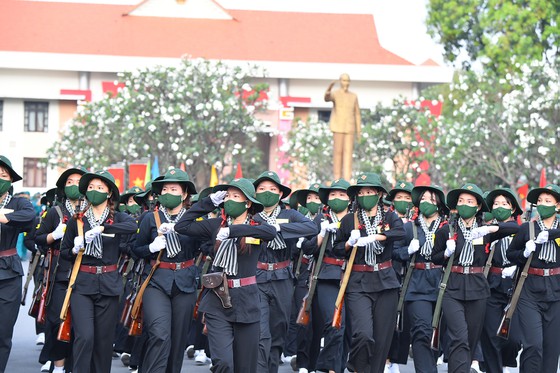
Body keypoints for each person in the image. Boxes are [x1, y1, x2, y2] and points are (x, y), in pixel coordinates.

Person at [175, 178, 277, 372]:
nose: (230, 200)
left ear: (247, 203)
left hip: (247, 301)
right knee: (223, 363)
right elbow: (182, 226)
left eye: (235, 196)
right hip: (217, 300)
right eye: (227, 196)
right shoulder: (215, 226)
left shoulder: (256, 226)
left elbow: (270, 232)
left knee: (245, 366)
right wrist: (208, 203)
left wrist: (232, 231)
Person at [431, 183, 517, 373]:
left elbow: (515, 227)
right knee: (458, 337)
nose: (465, 204)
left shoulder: (484, 230)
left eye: (470, 201)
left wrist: (491, 230)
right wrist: (445, 253)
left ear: (478, 206)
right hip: (452, 287)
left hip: (478, 288)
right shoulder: (447, 230)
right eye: (461, 201)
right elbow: (433, 256)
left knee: (470, 339)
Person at [60, 170, 137, 373]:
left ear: (109, 193)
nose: (95, 191)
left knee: (103, 342)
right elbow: (64, 252)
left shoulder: (118, 218)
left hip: (109, 283)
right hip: (82, 283)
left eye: (100, 188)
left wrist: (103, 229)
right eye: (91, 187)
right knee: (84, 337)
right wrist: (75, 248)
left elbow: (131, 227)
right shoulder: (77, 220)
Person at [333, 172, 405, 373]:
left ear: (379, 194)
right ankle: (356, 366)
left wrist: (377, 237)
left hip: (386, 281)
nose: (366, 195)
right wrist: (349, 242)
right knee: (363, 334)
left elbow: (400, 233)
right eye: (362, 192)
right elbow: (336, 248)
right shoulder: (349, 220)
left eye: (370, 191)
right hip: (358, 282)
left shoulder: (390, 216)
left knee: (382, 341)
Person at [132, 168, 200, 373]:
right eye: (165, 189)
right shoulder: (149, 218)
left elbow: (202, 247)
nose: (168, 193)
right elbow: (136, 249)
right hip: (156, 281)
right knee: (160, 335)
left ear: (185, 194)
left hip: (185, 283)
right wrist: (151, 247)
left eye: (174, 188)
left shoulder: (192, 219)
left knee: (178, 341)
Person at [252, 171, 318, 373]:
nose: (267, 193)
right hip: (257, 276)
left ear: (281, 194)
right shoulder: (252, 216)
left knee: (278, 329)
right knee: (261, 332)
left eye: (272, 189)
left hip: (282, 277)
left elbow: (310, 228)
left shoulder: (288, 215)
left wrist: (279, 229)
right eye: (262, 189)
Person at [35, 166, 87, 373]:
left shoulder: (92, 212)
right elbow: (37, 239)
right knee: (57, 320)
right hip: (60, 273)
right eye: (70, 182)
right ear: (63, 188)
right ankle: (58, 365)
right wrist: (54, 235)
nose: (74, 186)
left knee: (80, 326)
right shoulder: (54, 212)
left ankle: (74, 364)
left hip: (85, 273)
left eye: (78, 182)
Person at [393, 184, 449, 373]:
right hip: (417, 285)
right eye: (423, 199)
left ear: (439, 204)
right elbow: (394, 252)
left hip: (442, 284)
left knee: (437, 335)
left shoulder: (448, 227)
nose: (427, 203)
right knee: (422, 331)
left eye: (432, 200)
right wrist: (407, 251)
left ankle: (430, 367)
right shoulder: (409, 227)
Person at [506, 184, 560, 371]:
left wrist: (552, 234)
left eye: (548, 201)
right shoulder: (527, 228)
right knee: (533, 345)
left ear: (557, 206)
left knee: (552, 348)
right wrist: (524, 252)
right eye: (539, 201)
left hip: (556, 291)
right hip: (529, 290)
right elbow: (510, 254)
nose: (542, 204)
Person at [479, 188, 521, 373]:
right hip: (491, 285)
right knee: (490, 335)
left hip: (515, 286)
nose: (500, 207)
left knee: (514, 339)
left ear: (513, 209)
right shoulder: (485, 230)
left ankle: (504, 362)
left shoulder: (520, 229)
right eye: (496, 204)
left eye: (505, 204)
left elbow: (515, 230)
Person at [0, 155, 36, 373]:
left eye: (3, 175)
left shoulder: (18, 202)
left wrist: (4, 217)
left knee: (3, 332)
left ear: (10, 180)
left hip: (8, 271)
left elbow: (30, 216)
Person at [324, 74, 361, 180]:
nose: (346, 83)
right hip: (338, 126)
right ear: (340, 81)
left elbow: (357, 113)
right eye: (344, 80)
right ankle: (336, 178)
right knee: (338, 153)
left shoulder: (353, 96)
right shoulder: (335, 94)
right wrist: (330, 87)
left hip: (350, 127)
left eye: (348, 81)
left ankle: (347, 179)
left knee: (348, 154)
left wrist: (359, 131)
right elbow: (326, 98)